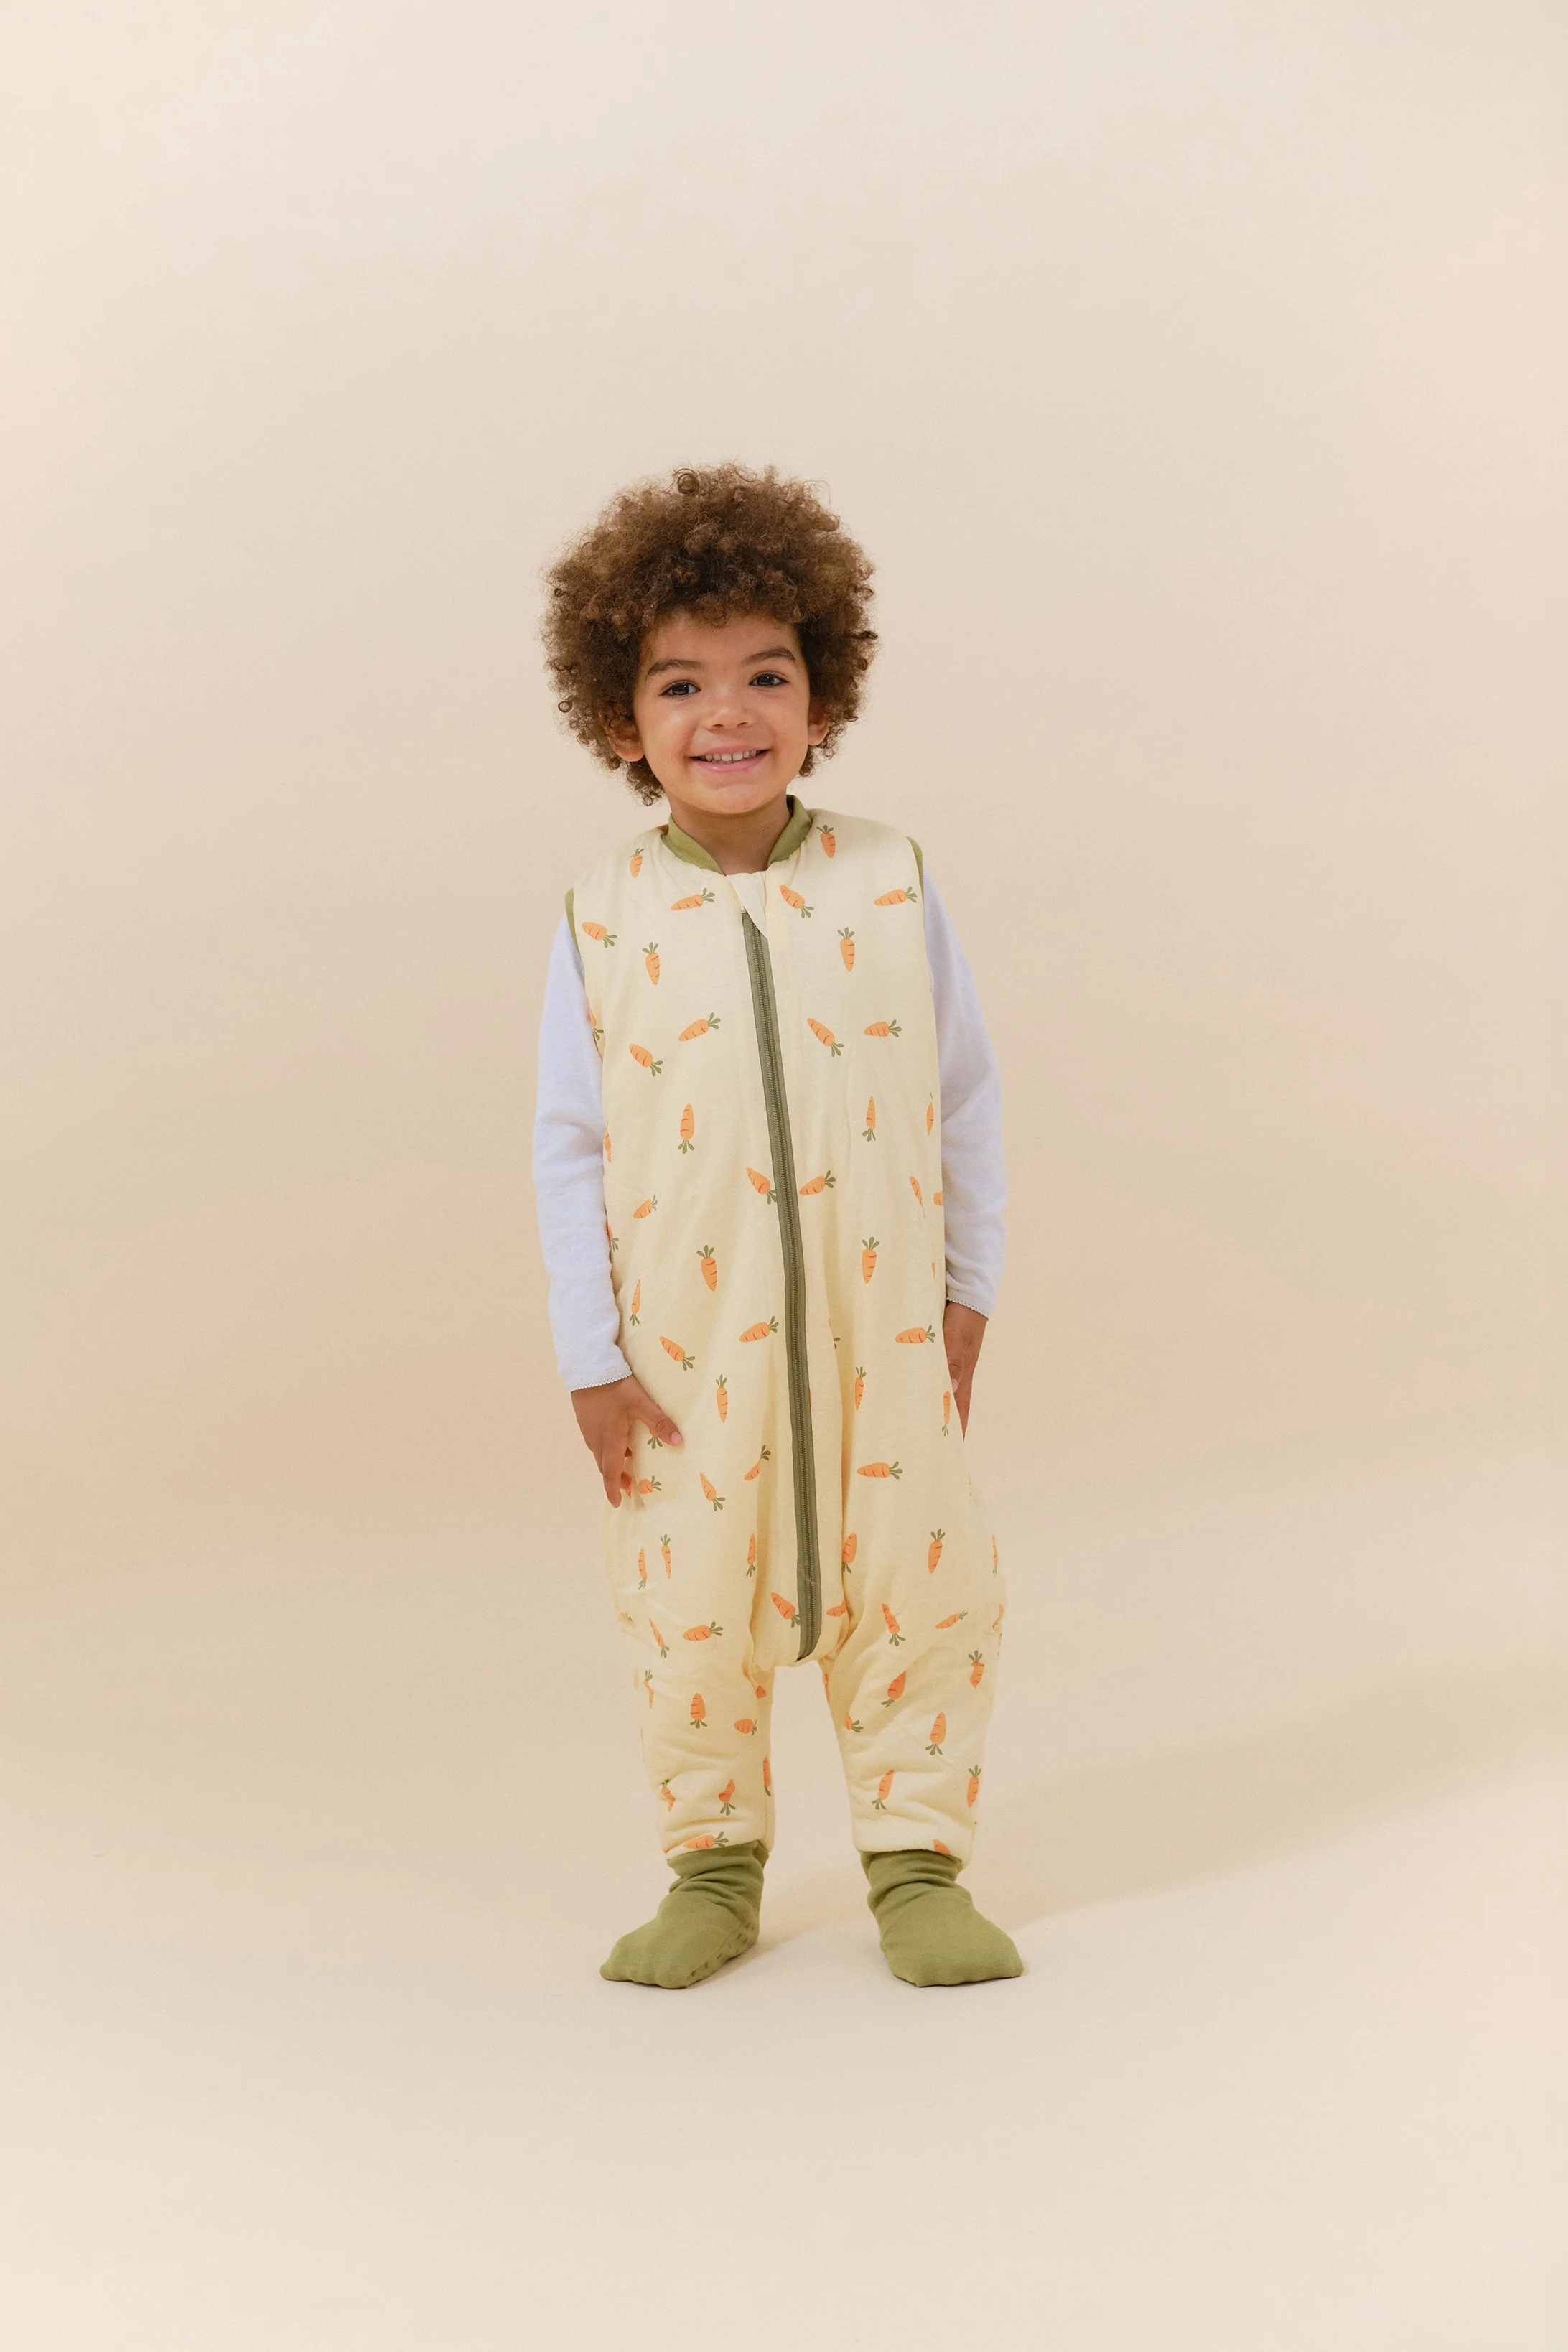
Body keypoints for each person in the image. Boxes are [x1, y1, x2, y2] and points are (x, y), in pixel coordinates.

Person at [532, 464, 1021, 1988]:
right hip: (687, 1357)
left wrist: (970, 1290)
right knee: (687, 1609)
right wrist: (591, 1357)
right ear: (623, 721)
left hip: (885, 1337)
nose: (727, 714)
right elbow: (565, 1148)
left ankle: (919, 1865)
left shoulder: (890, 880)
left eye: (766, 675)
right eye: (680, 684)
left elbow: (966, 1094)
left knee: (922, 1591)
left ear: (822, 698)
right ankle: (714, 1867)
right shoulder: (601, 917)